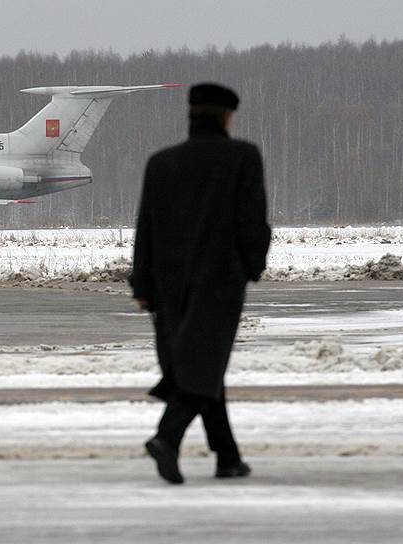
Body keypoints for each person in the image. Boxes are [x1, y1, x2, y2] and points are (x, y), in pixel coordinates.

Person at [130, 82, 272, 484]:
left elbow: (147, 228)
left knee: (198, 364)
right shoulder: (242, 157)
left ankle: (227, 457)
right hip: (219, 281)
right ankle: (167, 437)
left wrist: (142, 284)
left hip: (167, 285)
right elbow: (252, 220)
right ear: (227, 116)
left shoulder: (161, 162)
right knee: (202, 367)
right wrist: (252, 266)